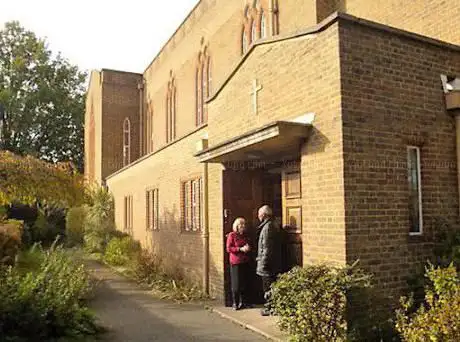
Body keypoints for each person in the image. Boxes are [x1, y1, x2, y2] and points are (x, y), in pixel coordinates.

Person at [256, 205, 282, 316]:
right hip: (273, 262)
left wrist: (264, 263)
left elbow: (267, 247)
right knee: (271, 286)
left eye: (259, 214)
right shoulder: (272, 225)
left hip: (268, 264)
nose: (258, 216)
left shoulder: (268, 227)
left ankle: (270, 307)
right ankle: (272, 306)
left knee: (268, 287)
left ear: (263, 215)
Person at [226, 217, 252, 310]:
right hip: (236, 262)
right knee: (236, 284)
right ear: (236, 226)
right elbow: (229, 248)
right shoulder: (232, 235)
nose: (243, 226)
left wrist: (248, 247)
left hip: (245, 261)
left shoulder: (245, 235)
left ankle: (243, 302)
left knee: (244, 283)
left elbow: (249, 244)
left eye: (244, 224)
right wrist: (240, 249)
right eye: (241, 224)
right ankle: (235, 302)